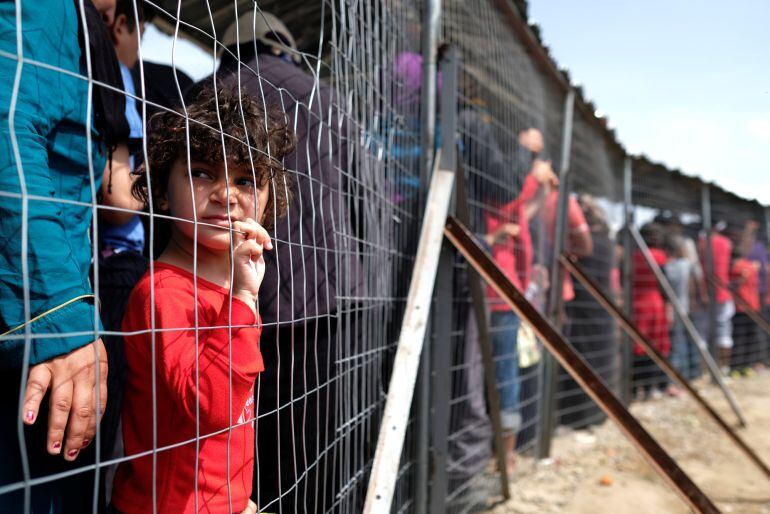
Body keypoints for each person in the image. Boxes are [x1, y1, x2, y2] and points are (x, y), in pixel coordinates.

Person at [111, 86, 294, 514]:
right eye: (201, 172)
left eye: (245, 179)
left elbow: (231, 418)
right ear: (160, 189)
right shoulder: (162, 294)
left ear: (268, 203)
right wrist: (246, 299)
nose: (226, 194)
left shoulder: (229, 289)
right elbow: (209, 408)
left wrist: (235, 496)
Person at [212, 11, 359, 511]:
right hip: (323, 295)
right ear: (285, 47)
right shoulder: (325, 96)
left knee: (240, 452)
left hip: (232, 293)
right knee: (313, 452)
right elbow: (367, 197)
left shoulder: (212, 93)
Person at [0, 1, 125, 511]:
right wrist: (62, 315)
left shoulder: (73, 24)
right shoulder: (44, 7)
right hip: (36, 333)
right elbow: (7, 131)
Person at [484, 127, 557, 474]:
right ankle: (505, 455)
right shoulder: (504, 191)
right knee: (506, 374)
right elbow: (516, 209)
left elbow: (521, 212)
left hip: (491, 294)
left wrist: (538, 185)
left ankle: (498, 453)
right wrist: (533, 176)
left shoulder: (492, 193)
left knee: (493, 374)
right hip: (500, 295)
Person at [559, 194, 618, 426]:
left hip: (584, 309)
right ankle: (593, 413)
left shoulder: (590, 241)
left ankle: (578, 416)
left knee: (582, 358)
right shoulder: (606, 239)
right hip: (599, 308)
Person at [631, 223, 671, 399]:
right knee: (655, 345)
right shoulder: (660, 257)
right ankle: (649, 388)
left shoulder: (633, 256)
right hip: (654, 304)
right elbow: (665, 285)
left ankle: (634, 387)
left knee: (637, 345)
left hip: (636, 303)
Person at [700, 221, 735, 375]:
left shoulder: (702, 243)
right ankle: (723, 369)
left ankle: (705, 371)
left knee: (703, 333)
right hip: (723, 292)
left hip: (706, 293)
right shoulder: (727, 243)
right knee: (724, 333)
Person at [730, 247, 761, 373]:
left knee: (739, 338)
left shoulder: (737, 267)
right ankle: (746, 366)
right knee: (750, 338)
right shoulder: (751, 266)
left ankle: (736, 368)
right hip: (753, 307)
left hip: (742, 307)